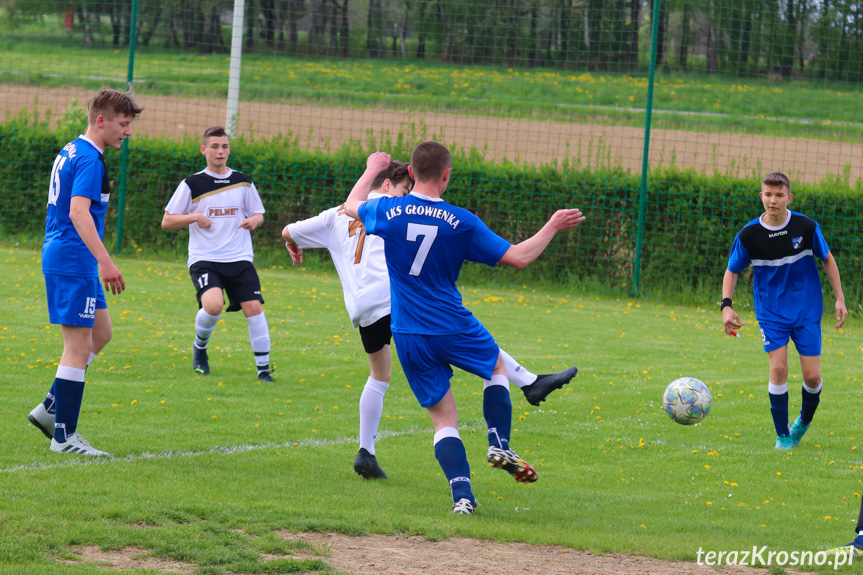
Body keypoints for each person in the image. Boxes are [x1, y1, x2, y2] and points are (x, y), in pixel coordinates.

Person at [282, 160, 579, 480]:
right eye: (404, 189)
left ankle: (365, 452)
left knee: (379, 376)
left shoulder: (334, 215)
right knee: (460, 330)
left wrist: (293, 242)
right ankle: (529, 382)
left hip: (362, 307)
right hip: (396, 295)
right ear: (385, 186)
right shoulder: (393, 209)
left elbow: (288, 230)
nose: (407, 195)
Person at [344, 142, 585, 514]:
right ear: (446, 175)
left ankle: (463, 499)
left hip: (407, 331)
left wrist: (371, 169)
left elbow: (350, 206)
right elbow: (519, 258)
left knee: (443, 419)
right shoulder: (461, 221)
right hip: (451, 323)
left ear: (410, 173)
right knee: (497, 368)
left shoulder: (389, 210)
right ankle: (498, 441)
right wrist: (552, 225)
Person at [27, 89, 143, 456]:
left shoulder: (71, 149)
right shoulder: (91, 159)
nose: (128, 132)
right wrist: (106, 261)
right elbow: (78, 213)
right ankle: (64, 436)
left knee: (101, 334)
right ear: (101, 120)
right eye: (124, 125)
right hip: (74, 259)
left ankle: (50, 408)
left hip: (74, 259)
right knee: (77, 347)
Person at [721, 171, 847, 451]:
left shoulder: (806, 227)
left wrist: (839, 298)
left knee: (812, 376)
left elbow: (827, 258)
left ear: (789, 197)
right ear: (761, 197)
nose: (773, 200)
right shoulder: (749, 234)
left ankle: (802, 422)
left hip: (806, 310)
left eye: (779, 195)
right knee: (778, 368)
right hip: (771, 312)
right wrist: (726, 306)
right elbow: (732, 270)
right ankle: (782, 436)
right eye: (768, 194)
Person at [161, 126, 274, 382]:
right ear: (204, 150)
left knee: (254, 307)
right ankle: (200, 347)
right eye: (214, 147)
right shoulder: (192, 183)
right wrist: (194, 216)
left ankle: (264, 371)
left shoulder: (243, 181)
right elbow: (167, 221)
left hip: (240, 257)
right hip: (205, 258)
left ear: (229, 150)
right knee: (213, 306)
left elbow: (258, 213)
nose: (220, 151)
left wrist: (255, 220)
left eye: (224, 146)